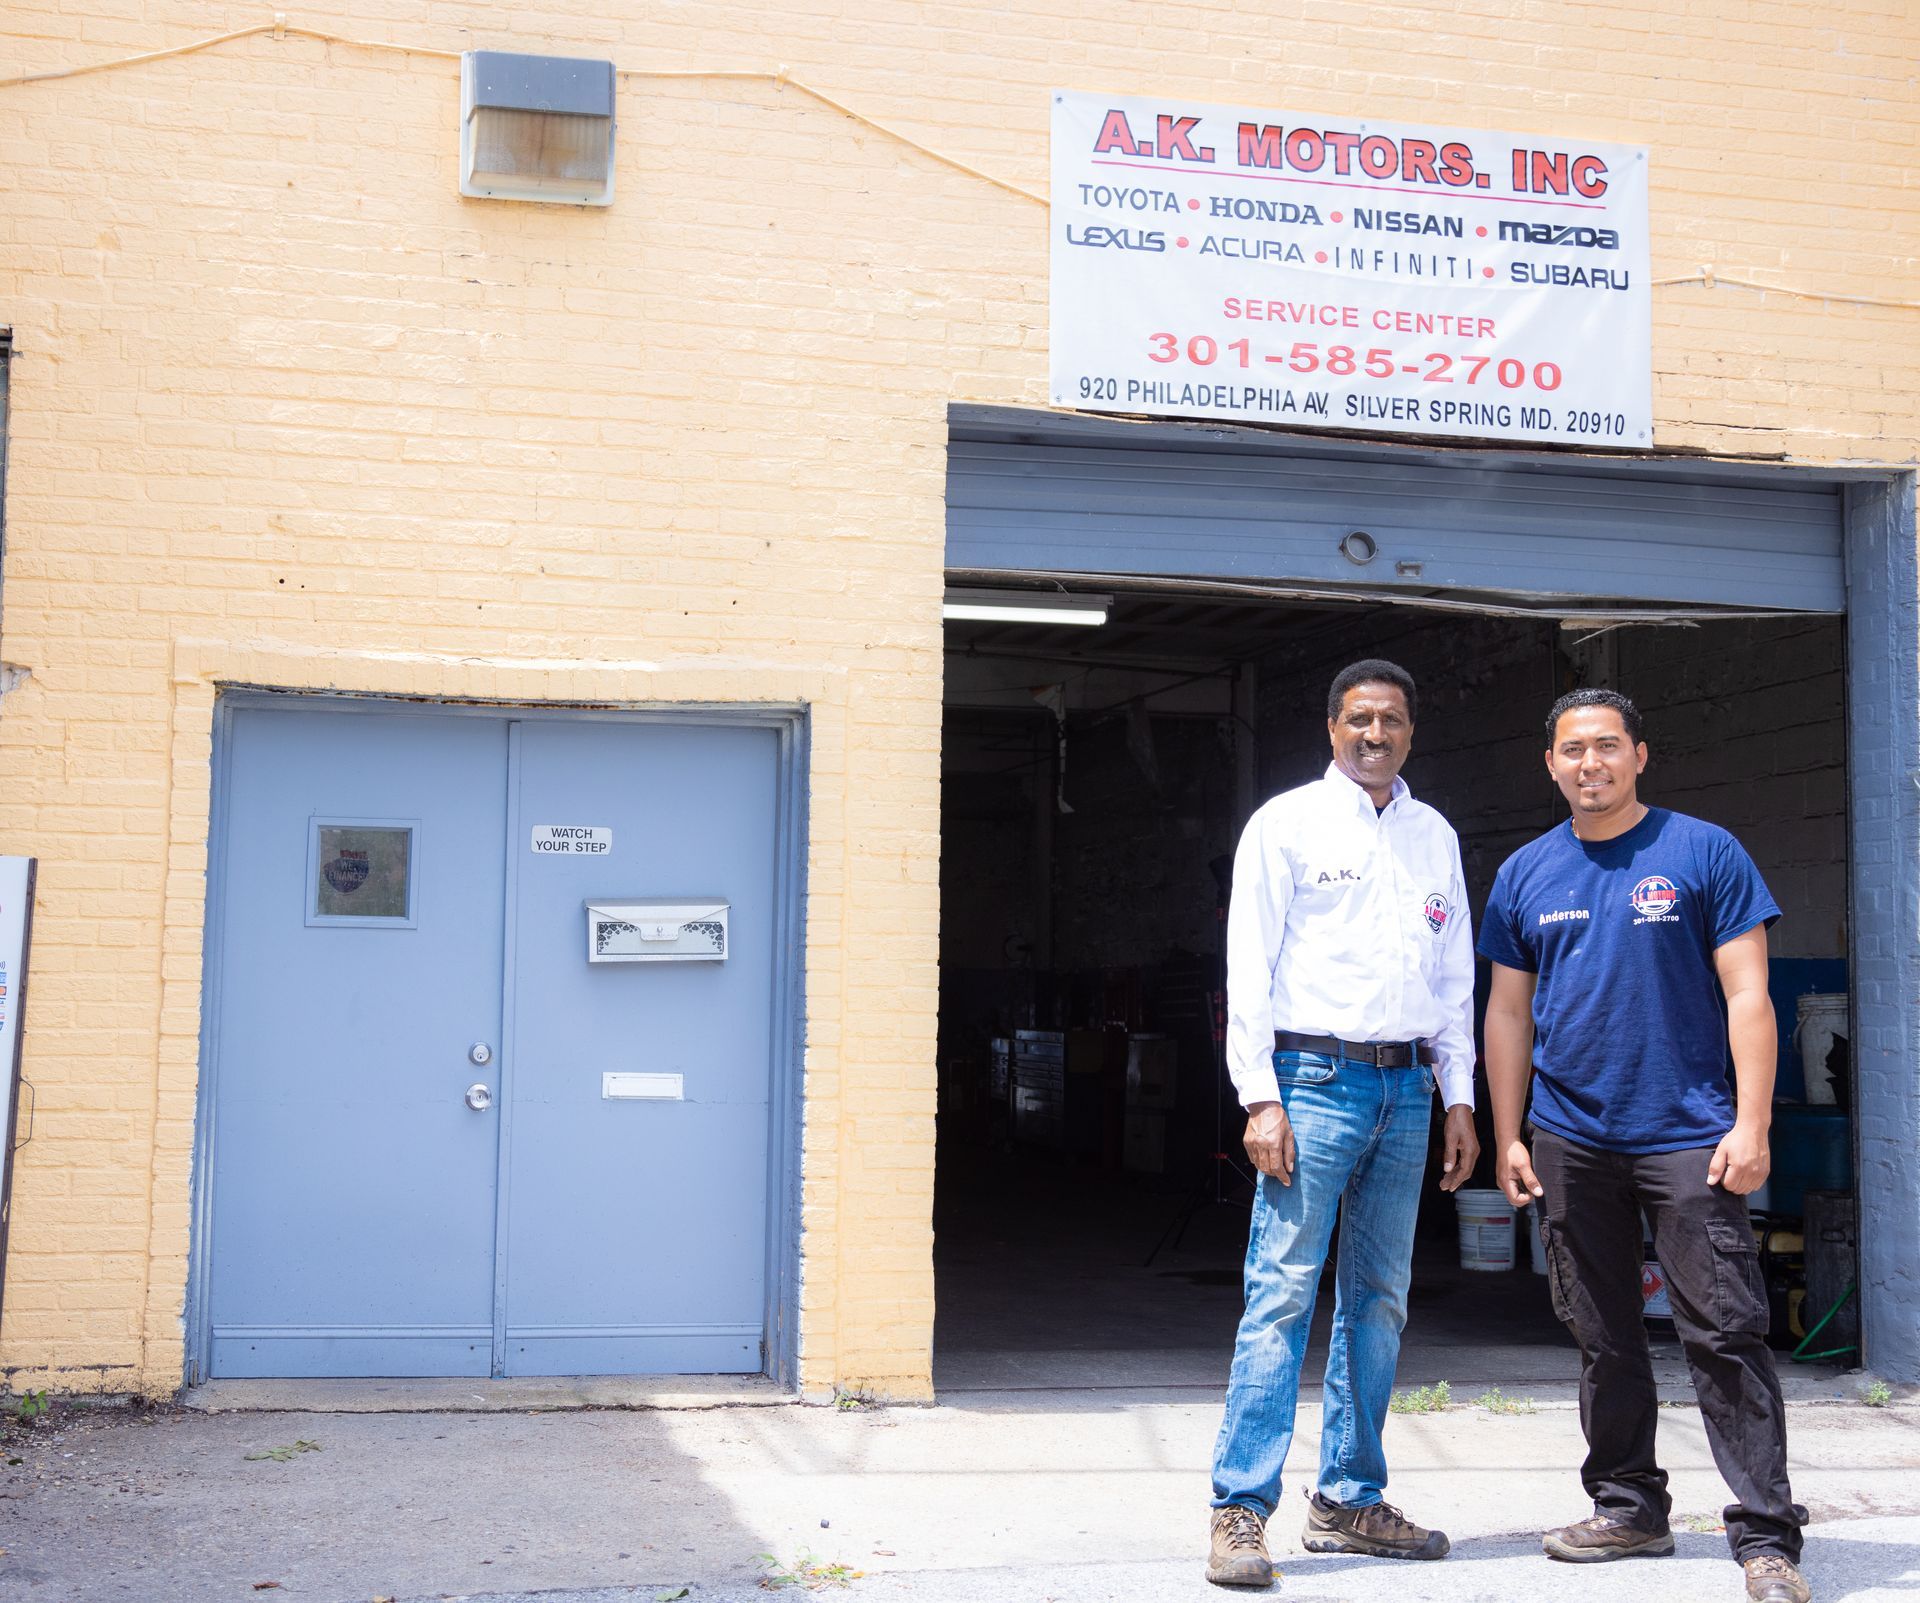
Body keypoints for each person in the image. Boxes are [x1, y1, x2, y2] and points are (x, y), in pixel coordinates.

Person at [1480, 687, 1810, 1603]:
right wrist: (1510, 1132)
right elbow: (1507, 1011)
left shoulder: (1703, 852)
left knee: (1727, 1330)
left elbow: (1749, 995)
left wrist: (1753, 1123)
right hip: (1571, 1136)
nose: (1592, 763)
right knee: (1603, 1333)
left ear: (1640, 755)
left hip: (1690, 1136)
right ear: (1551, 764)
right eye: (1574, 749)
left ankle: (1766, 1534)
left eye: (1608, 747)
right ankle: (1628, 1504)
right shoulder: (1525, 874)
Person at [1206, 658, 1479, 1589]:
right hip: (1310, 1080)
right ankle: (1241, 1509)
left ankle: (1350, 1497)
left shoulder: (1433, 834)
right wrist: (1260, 1095)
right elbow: (1250, 967)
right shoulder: (1284, 824)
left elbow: (1454, 980)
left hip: (1407, 1092)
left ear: (1410, 731)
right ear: (1332, 728)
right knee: (1280, 1294)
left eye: (1392, 720)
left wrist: (1460, 1095)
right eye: (1359, 719)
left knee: (1380, 1299)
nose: (1375, 734)